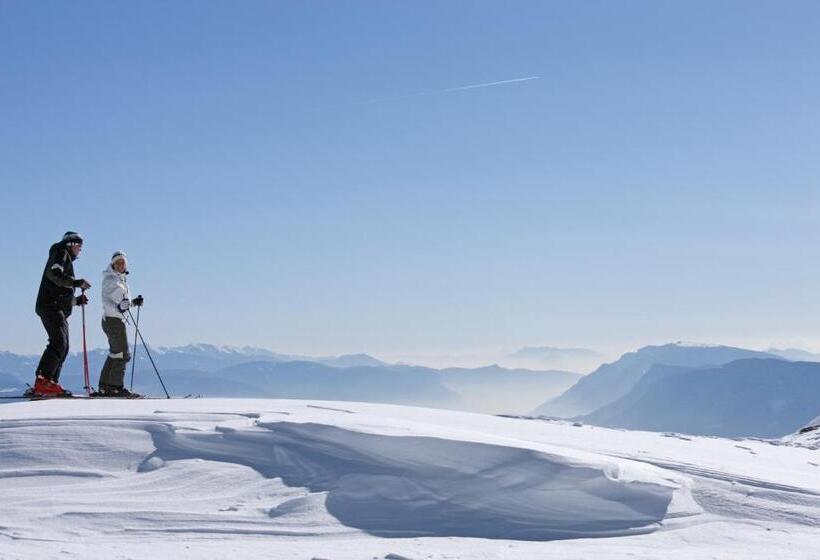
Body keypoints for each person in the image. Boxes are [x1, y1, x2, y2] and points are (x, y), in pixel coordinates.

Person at [33, 231, 91, 396]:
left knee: (63, 345)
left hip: (53, 305)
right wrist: (76, 282)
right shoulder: (60, 252)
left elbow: (58, 290)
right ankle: (43, 381)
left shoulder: (63, 256)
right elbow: (54, 275)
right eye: (79, 246)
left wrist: (75, 301)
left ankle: (50, 382)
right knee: (59, 342)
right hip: (50, 306)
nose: (80, 250)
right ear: (71, 244)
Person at [97, 251, 143, 397]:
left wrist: (133, 303)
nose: (120, 265)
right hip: (113, 320)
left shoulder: (120, 280)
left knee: (116, 353)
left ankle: (105, 386)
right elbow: (108, 302)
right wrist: (120, 307)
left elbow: (122, 304)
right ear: (113, 264)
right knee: (122, 354)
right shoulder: (111, 280)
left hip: (115, 319)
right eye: (118, 262)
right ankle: (115, 387)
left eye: (123, 262)